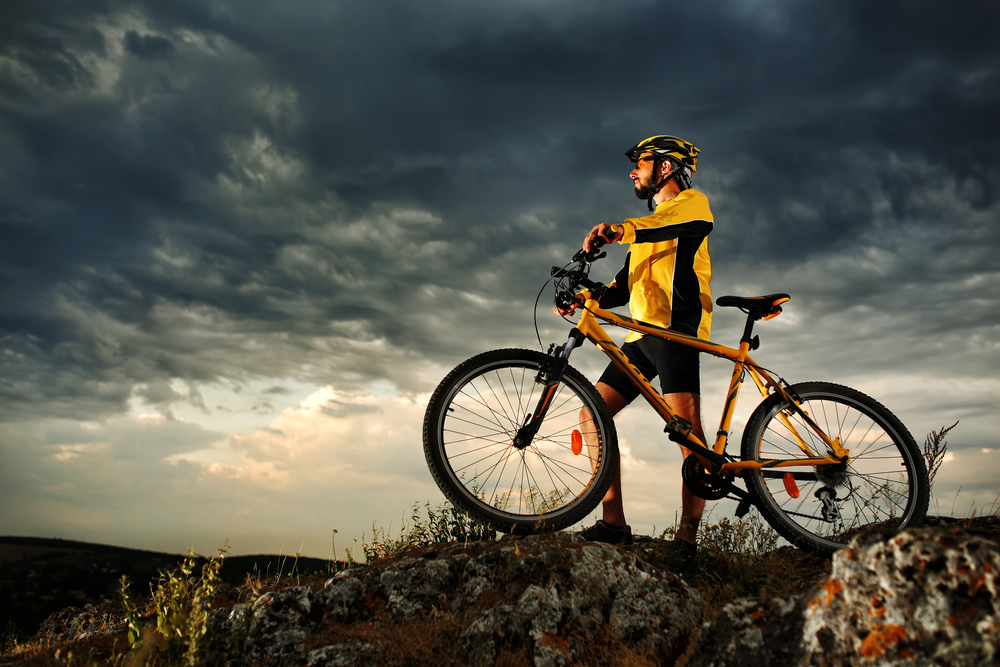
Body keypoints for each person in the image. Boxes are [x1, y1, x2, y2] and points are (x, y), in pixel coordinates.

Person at [558, 135, 713, 563]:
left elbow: (655, 227)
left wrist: (617, 229)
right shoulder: (652, 225)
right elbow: (624, 286)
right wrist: (586, 297)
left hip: (676, 330)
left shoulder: (692, 206)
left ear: (664, 168)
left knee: (689, 438)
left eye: (640, 163)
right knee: (592, 414)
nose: (632, 172)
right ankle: (614, 524)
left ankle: (686, 541)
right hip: (641, 335)